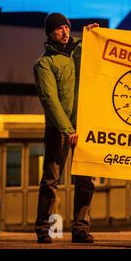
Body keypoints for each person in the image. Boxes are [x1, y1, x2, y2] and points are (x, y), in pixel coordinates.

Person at [33, 13, 99, 243]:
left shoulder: (78, 53)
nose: (64, 32)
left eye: (67, 27)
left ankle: (81, 228)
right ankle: (43, 228)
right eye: (59, 29)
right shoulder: (44, 63)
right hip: (58, 130)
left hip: (83, 126)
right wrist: (67, 129)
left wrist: (92, 34)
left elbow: (96, 51)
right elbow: (49, 99)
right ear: (50, 33)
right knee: (51, 180)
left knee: (85, 181)